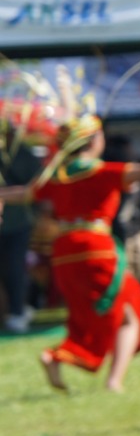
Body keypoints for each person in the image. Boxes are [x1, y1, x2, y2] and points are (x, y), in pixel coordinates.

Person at [0, 115, 140, 391]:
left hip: (63, 252)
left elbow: (25, 193)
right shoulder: (99, 171)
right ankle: (110, 380)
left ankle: (66, 359)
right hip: (95, 248)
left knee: (96, 314)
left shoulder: (56, 178)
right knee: (127, 316)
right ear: (95, 141)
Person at [2, 127, 40, 334]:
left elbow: (36, 187)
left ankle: (18, 310)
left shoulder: (23, 154)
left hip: (17, 222)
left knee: (14, 268)